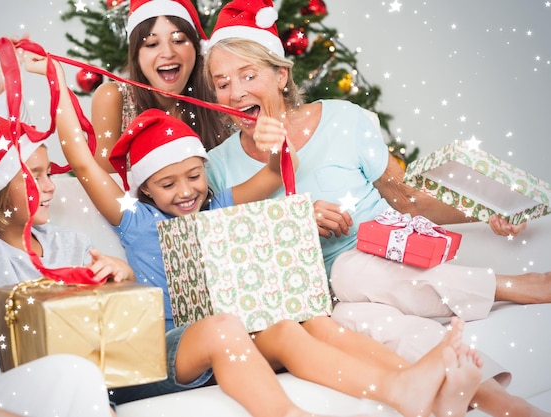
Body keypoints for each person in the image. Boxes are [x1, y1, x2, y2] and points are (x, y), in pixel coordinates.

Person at [22, 49, 484, 417]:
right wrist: (54, 81)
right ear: (143, 186)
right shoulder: (137, 219)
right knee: (247, 327)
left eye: (194, 176)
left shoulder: (218, 202)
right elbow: (82, 160)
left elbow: (277, 172)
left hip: (238, 333)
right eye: (167, 184)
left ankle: (404, 386)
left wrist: (274, 142)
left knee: (303, 324)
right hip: (179, 344)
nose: (186, 193)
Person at [201, 1, 551, 416]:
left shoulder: (344, 122)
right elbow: (232, 261)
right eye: (222, 83)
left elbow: (407, 198)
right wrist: (293, 222)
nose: (234, 92)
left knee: (351, 269)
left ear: (281, 75)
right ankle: (498, 400)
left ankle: (514, 297)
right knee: (384, 326)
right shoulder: (218, 167)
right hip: (323, 302)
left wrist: (486, 211)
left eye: (248, 75)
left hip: (382, 258)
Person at [0, 41, 114, 417]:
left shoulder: (69, 243)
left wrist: (118, 277)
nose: (49, 187)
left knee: (76, 376)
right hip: (3, 387)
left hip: (61, 378)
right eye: (34, 176)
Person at [91, 0, 231, 173]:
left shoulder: (220, 96)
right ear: (136, 55)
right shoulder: (113, 98)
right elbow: (105, 184)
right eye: (151, 44)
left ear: (196, 48)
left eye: (178, 40)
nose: (168, 53)